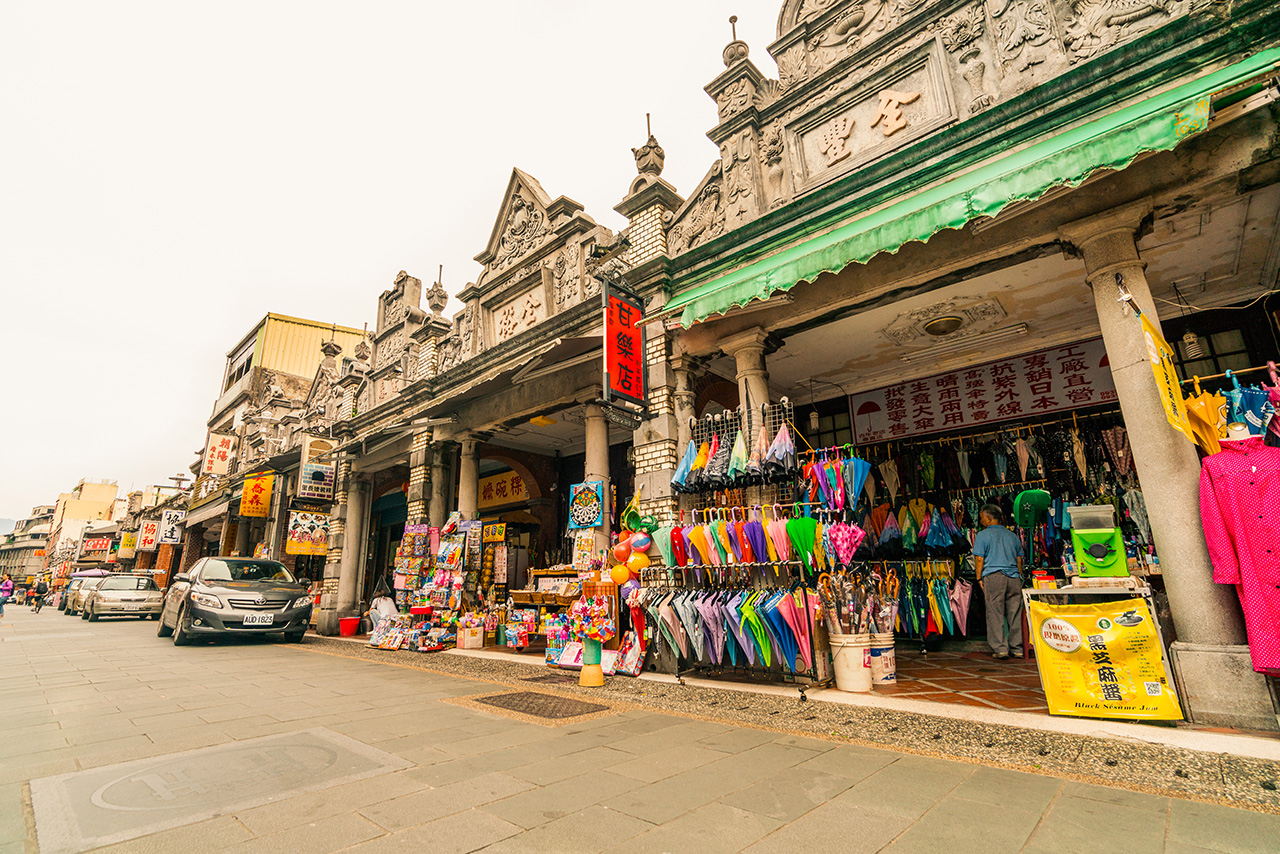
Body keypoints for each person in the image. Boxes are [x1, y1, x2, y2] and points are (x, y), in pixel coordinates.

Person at [973, 504, 1025, 660]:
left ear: (988, 518)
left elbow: (979, 558)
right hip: (1014, 577)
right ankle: (1017, 648)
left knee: (995, 612)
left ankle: (1001, 648)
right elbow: (1019, 560)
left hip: (994, 576)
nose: (981, 521)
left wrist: (978, 578)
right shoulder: (1012, 536)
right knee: (1015, 613)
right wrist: (1019, 577)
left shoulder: (983, 536)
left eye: (982, 518)